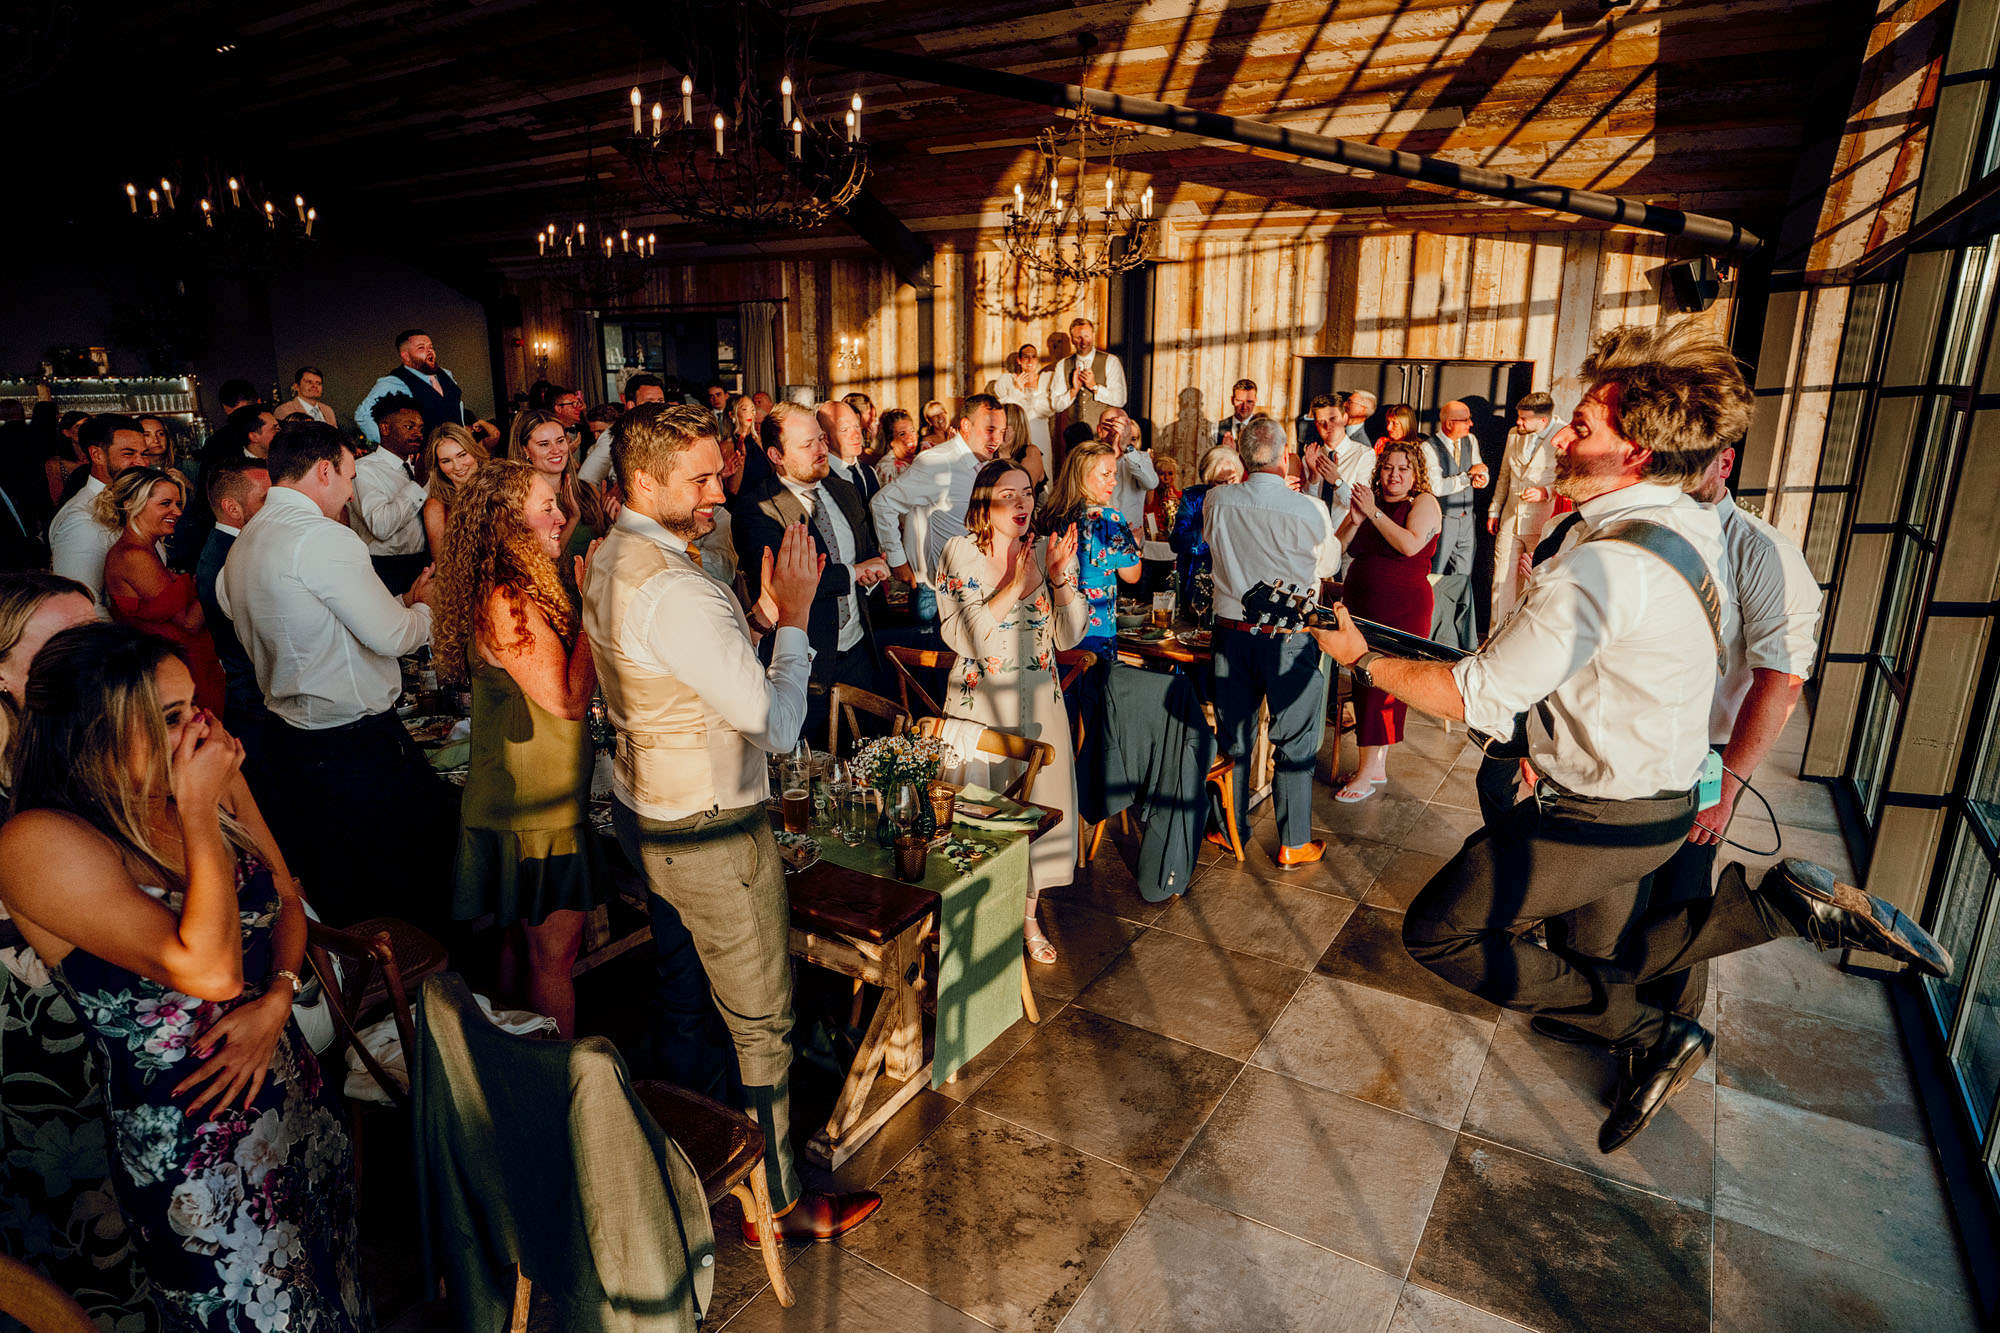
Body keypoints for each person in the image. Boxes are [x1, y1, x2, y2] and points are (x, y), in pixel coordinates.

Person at [1307, 320, 1948, 1153]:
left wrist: (1364, 657)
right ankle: (1770, 913)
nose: (1561, 437)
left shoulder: (1600, 563)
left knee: (1441, 930)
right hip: (1661, 794)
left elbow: (1481, 694)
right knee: (1602, 959)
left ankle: (1664, 1020)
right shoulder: (1690, 523)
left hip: (1602, 810)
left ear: (1637, 453)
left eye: (1583, 426)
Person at [0, 621, 373, 1331]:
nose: (201, 726)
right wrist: (199, 806)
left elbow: (288, 897)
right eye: (171, 717)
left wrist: (279, 998)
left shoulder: (214, 783)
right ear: (92, 733)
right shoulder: (41, 842)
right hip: (194, 1154)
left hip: (293, 1096)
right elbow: (208, 967)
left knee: (335, 1294)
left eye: (194, 705)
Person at [580, 401, 880, 1244]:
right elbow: (778, 726)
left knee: (683, 998)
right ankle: (776, 1204)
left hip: (649, 814)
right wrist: (790, 620)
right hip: (711, 826)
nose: (718, 492)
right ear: (643, 479)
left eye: (719, 471)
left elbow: (671, 666)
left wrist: (746, 621)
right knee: (762, 1022)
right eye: (700, 479)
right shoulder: (674, 582)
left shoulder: (611, 556)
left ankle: (697, 1154)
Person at [217, 420, 454, 927]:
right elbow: (393, 638)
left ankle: (375, 988)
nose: (350, 491)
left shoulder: (243, 543)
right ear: (324, 470)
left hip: (291, 742)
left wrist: (402, 602)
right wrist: (428, 610)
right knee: (410, 880)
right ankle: (429, 989)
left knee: (344, 882)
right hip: (355, 747)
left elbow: (319, 626)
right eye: (349, 477)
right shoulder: (323, 538)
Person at [0, 579, 149, 1331]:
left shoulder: (97, 742)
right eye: (60, 647)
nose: (90, 659)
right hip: (37, 1049)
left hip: (123, 1022)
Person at [433, 460, 604, 1038]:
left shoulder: (521, 582)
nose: (561, 516)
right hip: (533, 809)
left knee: (519, 943)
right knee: (554, 956)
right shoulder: (505, 597)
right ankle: (563, 1090)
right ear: (506, 521)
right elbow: (566, 700)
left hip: (530, 798)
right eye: (547, 506)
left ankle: (510, 1061)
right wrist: (597, 607)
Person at [934, 460, 1086, 963]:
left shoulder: (1043, 550)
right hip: (983, 709)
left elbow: (1070, 635)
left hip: (1042, 705)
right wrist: (1015, 587)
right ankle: (976, 922)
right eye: (1008, 495)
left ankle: (1027, 918)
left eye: (1027, 494)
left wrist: (1060, 580)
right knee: (980, 819)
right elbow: (970, 637)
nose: (1022, 504)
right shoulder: (959, 553)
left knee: (1035, 821)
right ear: (983, 502)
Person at [1204, 417, 1343, 866]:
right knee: (1296, 741)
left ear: (1241, 457)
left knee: (1235, 736)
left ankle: (1230, 830)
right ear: (1285, 456)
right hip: (1288, 638)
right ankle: (1293, 840)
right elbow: (1327, 567)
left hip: (1231, 636)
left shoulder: (1216, 500)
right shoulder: (1309, 510)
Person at [738, 403, 890, 738]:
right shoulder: (759, 508)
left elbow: (863, 559)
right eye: (808, 445)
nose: (822, 449)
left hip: (859, 654)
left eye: (822, 439)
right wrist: (852, 573)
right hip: (806, 666)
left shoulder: (845, 493)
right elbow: (784, 584)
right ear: (777, 455)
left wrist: (869, 576)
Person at [1332, 441, 1441, 802]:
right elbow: (1339, 546)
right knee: (1365, 683)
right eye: (1388, 468)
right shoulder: (1370, 503)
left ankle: (1367, 770)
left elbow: (1410, 545)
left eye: (1403, 469)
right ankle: (1373, 766)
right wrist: (1357, 518)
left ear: (1416, 473)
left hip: (1402, 608)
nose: (1394, 475)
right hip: (1361, 605)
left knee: (1383, 683)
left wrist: (1375, 514)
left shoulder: (1424, 502)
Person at [98, 467, 228, 716]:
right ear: (131, 504)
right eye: (165, 503)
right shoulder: (133, 556)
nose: (177, 512)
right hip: (176, 672)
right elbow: (189, 622)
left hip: (186, 666)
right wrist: (213, 575)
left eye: (178, 504)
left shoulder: (147, 549)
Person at [871, 392, 1006, 629]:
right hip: (934, 593)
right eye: (990, 430)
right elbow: (883, 503)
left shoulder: (987, 464)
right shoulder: (937, 462)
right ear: (966, 425)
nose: (998, 439)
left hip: (974, 585)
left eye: (1002, 432)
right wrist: (897, 560)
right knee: (933, 662)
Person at [1037, 440, 1142, 665]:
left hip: (1055, 625)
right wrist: (1134, 544)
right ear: (1082, 476)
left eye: (1114, 474)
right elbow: (1132, 575)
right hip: (1095, 629)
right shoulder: (1108, 518)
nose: (1113, 481)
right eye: (1106, 474)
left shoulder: (1050, 513)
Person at [195, 459, 273, 761]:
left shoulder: (231, 547)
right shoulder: (228, 560)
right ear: (232, 508)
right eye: (265, 498)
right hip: (255, 702)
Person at [50, 413, 149, 599]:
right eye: (128, 454)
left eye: (144, 454)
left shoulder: (133, 502)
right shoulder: (82, 519)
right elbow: (81, 601)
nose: (142, 463)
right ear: (97, 455)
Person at [1488, 392, 1564, 622]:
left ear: (1542, 420)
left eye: (1523, 419)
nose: (1517, 422)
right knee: (1501, 581)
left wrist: (1546, 491)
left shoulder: (1564, 434)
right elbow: (1504, 475)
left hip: (1542, 521)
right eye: (1518, 417)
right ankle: (1494, 637)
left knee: (1533, 582)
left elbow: (1572, 477)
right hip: (1510, 518)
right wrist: (1494, 509)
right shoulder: (1514, 434)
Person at [1421, 400, 1490, 651]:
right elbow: (1437, 487)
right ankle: (1430, 632)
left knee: (1463, 579)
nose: (1471, 424)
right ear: (1450, 423)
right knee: (1436, 576)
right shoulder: (1428, 448)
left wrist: (1481, 477)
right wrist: (1468, 477)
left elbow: (1480, 467)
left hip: (1466, 519)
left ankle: (1461, 638)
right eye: (1466, 420)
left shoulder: (1469, 441)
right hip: (1442, 520)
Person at [356, 328, 496, 446]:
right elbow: (362, 416)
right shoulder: (394, 381)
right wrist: (393, 446)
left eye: (431, 347)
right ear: (406, 357)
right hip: (427, 458)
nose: (429, 352)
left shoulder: (446, 374)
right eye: (421, 348)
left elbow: (457, 405)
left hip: (458, 448)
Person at [354, 393, 434, 595]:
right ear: (385, 428)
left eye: (420, 428)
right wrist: (417, 484)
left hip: (423, 563)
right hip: (386, 569)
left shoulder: (418, 468)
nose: (418, 434)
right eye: (409, 427)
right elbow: (381, 526)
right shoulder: (364, 470)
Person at [1171, 445, 1244, 620]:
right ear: (1208, 480)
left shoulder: (1246, 498)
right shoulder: (1194, 497)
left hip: (1236, 579)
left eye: (1232, 480)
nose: (1227, 487)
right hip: (1201, 577)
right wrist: (1206, 532)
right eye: (1220, 482)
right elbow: (1176, 542)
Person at [506, 408, 582, 546]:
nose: (556, 450)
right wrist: (573, 519)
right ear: (525, 450)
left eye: (560, 441)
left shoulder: (588, 491)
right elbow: (541, 563)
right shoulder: (518, 505)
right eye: (544, 444)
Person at [579, 371, 668, 485]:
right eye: (649, 402)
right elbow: (585, 479)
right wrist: (608, 498)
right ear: (631, 405)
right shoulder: (613, 436)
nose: (658, 407)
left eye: (660, 401)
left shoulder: (670, 432)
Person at [421, 421, 488, 561]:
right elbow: (442, 564)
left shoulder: (500, 488)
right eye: (446, 461)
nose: (457, 467)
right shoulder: (436, 507)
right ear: (438, 466)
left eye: (462, 455)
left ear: (473, 451)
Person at [1048, 317, 1128, 433]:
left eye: (1087, 336)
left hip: (1103, 434)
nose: (1083, 341)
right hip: (1073, 435)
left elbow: (1120, 400)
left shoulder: (1111, 361)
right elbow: (1056, 405)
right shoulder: (1062, 365)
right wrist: (1073, 391)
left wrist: (1094, 387)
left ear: (1093, 336)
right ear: (1072, 340)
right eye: (1078, 337)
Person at [1094, 406, 1158, 537]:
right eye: (1109, 427)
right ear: (1099, 431)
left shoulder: (1141, 458)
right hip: (1097, 537)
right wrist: (1113, 454)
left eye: (1121, 427)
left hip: (1131, 537)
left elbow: (1151, 483)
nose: (1115, 432)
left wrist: (1127, 448)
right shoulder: (1087, 458)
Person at [991, 345, 1056, 461]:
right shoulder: (1007, 381)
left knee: (1042, 464)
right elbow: (1004, 408)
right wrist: (1016, 390)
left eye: (1033, 357)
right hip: (1018, 431)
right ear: (1019, 360)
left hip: (1040, 430)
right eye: (1026, 357)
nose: (1030, 360)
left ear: (1037, 360)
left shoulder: (1047, 380)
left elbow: (1050, 409)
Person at [816, 397, 882, 510]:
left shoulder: (869, 472)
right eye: (844, 430)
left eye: (856, 426)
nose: (856, 435)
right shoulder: (819, 479)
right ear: (826, 437)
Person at [44, 409, 91, 506]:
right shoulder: (56, 463)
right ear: (66, 432)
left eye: (87, 425)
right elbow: (57, 500)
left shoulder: (99, 457)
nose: (85, 430)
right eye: (78, 426)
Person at [875, 407, 919, 487]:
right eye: (902, 434)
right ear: (892, 441)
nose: (910, 437)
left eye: (912, 430)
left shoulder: (921, 459)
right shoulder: (886, 468)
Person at [1214, 378, 1259, 448]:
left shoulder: (1263, 428)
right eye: (1240, 401)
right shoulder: (1216, 428)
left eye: (1249, 402)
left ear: (1256, 400)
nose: (1244, 407)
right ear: (1232, 400)